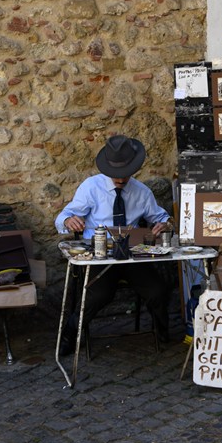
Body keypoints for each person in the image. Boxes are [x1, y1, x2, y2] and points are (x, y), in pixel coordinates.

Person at [55, 134, 174, 355]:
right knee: (98, 296)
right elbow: (63, 217)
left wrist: (164, 224)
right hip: (101, 253)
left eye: (125, 175)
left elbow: (160, 216)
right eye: (116, 175)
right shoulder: (91, 187)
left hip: (131, 253)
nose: (120, 179)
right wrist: (68, 221)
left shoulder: (142, 191)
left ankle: (162, 329)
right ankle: (70, 332)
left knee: (158, 290)